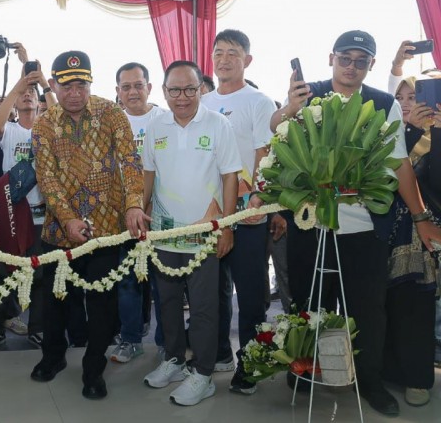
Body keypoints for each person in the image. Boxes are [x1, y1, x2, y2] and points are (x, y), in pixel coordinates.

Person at [272, 29, 441, 417]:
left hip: (364, 228)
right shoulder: (308, 91)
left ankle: (370, 381)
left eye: (360, 60)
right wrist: (288, 110)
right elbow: (275, 131)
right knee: (309, 304)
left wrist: (421, 217)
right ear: (331, 57)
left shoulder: (384, 102)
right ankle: (304, 370)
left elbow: (399, 164)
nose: (351, 67)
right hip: (310, 224)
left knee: (368, 310)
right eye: (345, 58)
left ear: (371, 65)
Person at [30, 50, 149, 400]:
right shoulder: (43, 125)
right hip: (59, 233)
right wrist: (67, 219)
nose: (75, 93)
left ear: (91, 83)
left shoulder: (112, 113)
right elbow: (47, 180)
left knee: (101, 305)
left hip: (105, 233)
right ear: (53, 85)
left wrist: (132, 205)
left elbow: (130, 162)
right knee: (55, 302)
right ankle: (53, 358)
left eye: (81, 84)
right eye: (66, 86)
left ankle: (93, 370)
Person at [141, 60, 240, 405]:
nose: (182, 97)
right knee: (165, 300)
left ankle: (202, 373)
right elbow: (148, 174)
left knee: (203, 306)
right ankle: (172, 359)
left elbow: (230, 176)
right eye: (174, 90)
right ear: (164, 91)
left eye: (189, 89)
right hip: (163, 232)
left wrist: (225, 226)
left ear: (201, 89)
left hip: (205, 233)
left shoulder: (218, 124)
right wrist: (140, 212)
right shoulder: (156, 125)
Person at [200, 29, 278, 395]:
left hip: (248, 214)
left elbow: (267, 156)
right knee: (213, 291)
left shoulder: (259, 102)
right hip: (211, 216)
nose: (224, 59)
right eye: (218, 52)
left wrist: (258, 203)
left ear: (247, 60)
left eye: (232, 53)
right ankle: (220, 354)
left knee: (250, 294)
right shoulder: (204, 102)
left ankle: (252, 363)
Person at [0, 61, 55, 351]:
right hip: (10, 212)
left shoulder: (49, 129)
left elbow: (59, 113)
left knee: (39, 274)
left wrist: (43, 82)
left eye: (32, 94)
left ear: (39, 103)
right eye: (24, 94)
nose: (27, 96)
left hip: (40, 214)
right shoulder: (8, 130)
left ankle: (37, 327)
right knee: (3, 273)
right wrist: (19, 85)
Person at [382, 75, 439, 407]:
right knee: (385, 307)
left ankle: (418, 378)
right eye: (399, 96)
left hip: (420, 241)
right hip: (382, 237)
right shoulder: (386, 137)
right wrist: (410, 133)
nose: (405, 102)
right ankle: (388, 371)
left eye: (413, 95)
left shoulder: (436, 137)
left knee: (415, 307)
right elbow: (384, 178)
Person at [110, 62, 166, 364]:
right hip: (126, 218)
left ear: (149, 87)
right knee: (127, 282)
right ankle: (130, 340)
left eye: (138, 84)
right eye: (126, 86)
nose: (133, 91)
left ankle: (166, 343)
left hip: (161, 216)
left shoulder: (165, 119)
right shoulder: (110, 122)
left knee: (163, 284)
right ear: (118, 91)